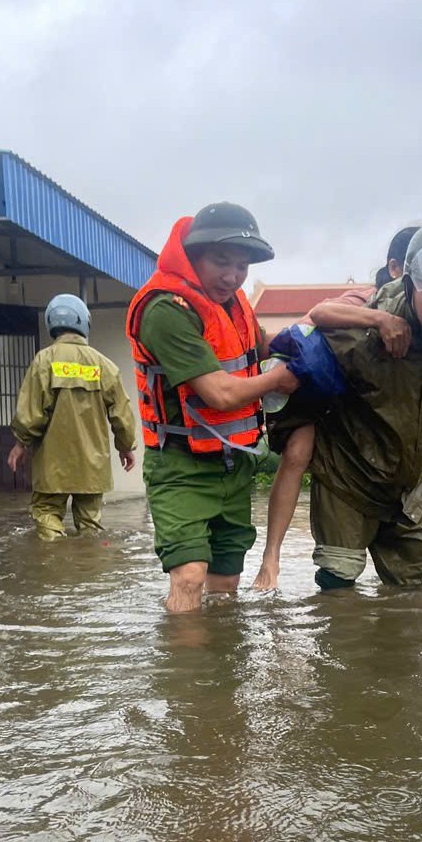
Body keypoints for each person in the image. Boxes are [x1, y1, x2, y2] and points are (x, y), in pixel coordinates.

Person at [252, 225, 422, 590]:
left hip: (403, 487)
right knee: (338, 594)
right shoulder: (367, 329)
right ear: (411, 284)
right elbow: (308, 338)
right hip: (348, 479)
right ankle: (272, 561)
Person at [125, 202, 299, 614]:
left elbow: (263, 343)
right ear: (193, 255)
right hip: (181, 465)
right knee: (188, 575)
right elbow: (218, 393)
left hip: (234, 463)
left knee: (226, 583)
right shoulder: (165, 309)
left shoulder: (234, 301)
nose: (232, 275)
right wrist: (279, 380)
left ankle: (220, 673)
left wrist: (317, 335)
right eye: (222, 262)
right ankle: (185, 676)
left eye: (242, 266)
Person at [8, 293, 137, 540]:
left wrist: (20, 443)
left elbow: (31, 413)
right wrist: (125, 446)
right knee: (91, 527)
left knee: (47, 516)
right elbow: (121, 414)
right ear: (83, 323)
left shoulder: (43, 362)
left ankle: (56, 571)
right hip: (93, 464)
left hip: (51, 463)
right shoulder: (104, 365)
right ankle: (89, 570)